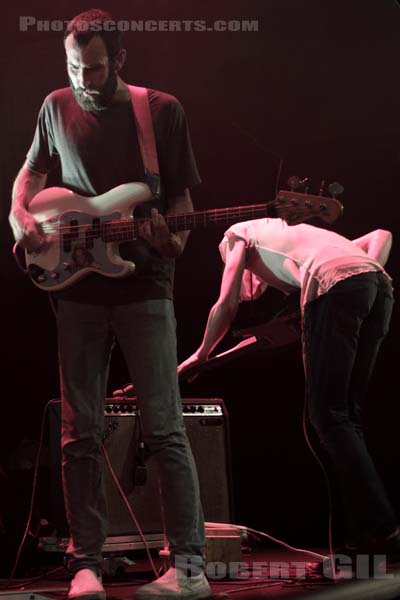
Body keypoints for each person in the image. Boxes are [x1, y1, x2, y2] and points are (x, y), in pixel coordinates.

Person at [9, 9, 211, 600]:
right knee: (79, 431)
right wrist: (21, 216)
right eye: (72, 66)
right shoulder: (54, 105)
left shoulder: (161, 111)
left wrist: (168, 242)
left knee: (165, 426)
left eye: (92, 69)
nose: (81, 79)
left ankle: (190, 566)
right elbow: (29, 173)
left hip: (145, 287)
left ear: (119, 60)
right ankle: (86, 565)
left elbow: (180, 205)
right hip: (75, 290)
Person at [178, 217, 400, 571]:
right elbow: (381, 234)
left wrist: (201, 354)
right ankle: (363, 541)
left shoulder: (237, 235)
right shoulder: (304, 237)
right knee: (346, 420)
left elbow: (228, 303)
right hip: (378, 289)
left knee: (327, 420)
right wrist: (370, 274)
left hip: (337, 287)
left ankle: (384, 528)